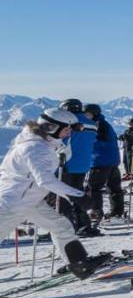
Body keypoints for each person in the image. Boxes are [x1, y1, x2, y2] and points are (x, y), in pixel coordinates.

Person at [0, 109, 107, 277]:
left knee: (61, 226)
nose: (69, 133)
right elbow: (46, 180)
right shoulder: (35, 148)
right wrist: (77, 196)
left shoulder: (43, 144)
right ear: (51, 127)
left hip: (29, 200)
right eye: (66, 129)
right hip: (12, 203)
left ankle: (80, 265)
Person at [57, 98, 99, 237]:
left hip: (67, 164)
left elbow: (60, 141)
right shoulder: (91, 124)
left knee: (63, 197)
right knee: (77, 194)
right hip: (83, 164)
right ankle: (84, 224)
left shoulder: (69, 123)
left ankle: (67, 227)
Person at [84, 103, 126, 223]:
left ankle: (96, 212)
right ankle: (117, 212)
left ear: (94, 114)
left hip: (100, 161)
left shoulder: (97, 124)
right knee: (114, 188)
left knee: (94, 188)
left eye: (88, 114)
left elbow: (100, 139)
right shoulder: (105, 123)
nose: (86, 116)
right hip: (112, 161)